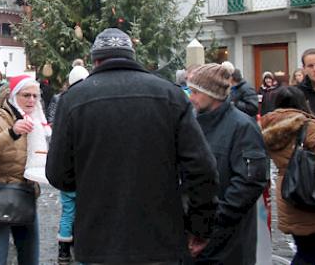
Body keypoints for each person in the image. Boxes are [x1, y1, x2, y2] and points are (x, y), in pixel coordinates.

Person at [47, 28, 219, 265]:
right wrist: (200, 227)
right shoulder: (171, 95)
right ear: (132, 55)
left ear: (95, 60)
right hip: (160, 238)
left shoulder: (73, 100)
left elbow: (58, 175)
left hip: (98, 239)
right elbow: (203, 169)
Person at [187, 63, 269, 264]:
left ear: (212, 93)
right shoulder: (193, 124)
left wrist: (212, 224)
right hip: (199, 233)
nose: (191, 98)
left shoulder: (242, 126)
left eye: (196, 92)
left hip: (230, 238)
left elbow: (250, 182)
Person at [0, 75, 45, 265]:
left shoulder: (37, 121)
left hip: (26, 195)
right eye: (26, 95)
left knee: (30, 259)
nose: (31, 100)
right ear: (13, 95)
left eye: (35, 96)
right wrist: (11, 133)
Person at [261, 86, 315, 264]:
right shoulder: (307, 125)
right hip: (310, 190)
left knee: (308, 247)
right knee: (311, 252)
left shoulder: (268, 126)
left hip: (288, 190)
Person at [49, 65, 88, 264]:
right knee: (83, 213)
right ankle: (78, 248)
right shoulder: (89, 102)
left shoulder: (64, 100)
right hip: (85, 170)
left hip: (69, 170)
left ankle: (63, 251)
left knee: (68, 212)